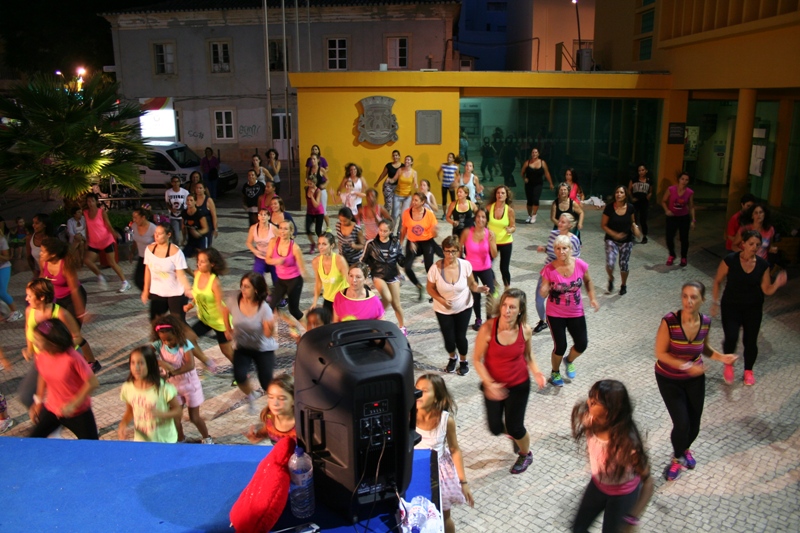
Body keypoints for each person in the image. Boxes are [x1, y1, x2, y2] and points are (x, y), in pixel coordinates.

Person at [655, 281, 737, 481]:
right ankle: (677, 458)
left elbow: (704, 348)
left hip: (695, 379)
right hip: (669, 378)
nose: (688, 301)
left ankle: (685, 449)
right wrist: (686, 366)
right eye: (685, 296)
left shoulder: (705, 322)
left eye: (693, 297)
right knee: (682, 424)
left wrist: (722, 358)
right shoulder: (670, 321)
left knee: (695, 425)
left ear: (703, 300)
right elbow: (660, 353)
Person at [473, 289, 546, 474]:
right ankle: (513, 436)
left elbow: (528, 355)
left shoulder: (525, 330)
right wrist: (489, 383)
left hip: (518, 385)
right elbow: (477, 360)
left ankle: (525, 454)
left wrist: (537, 373)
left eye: (512, 307)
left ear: (520, 310)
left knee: (516, 427)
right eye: (504, 305)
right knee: (495, 428)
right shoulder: (488, 328)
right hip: (494, 386)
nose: (506, 310)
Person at [571, 380, 654, 533]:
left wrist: (632, 518)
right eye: (590, 397)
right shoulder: (589, 419)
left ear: (610, 410)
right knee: (578, 529)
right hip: (597, 486)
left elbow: (648, 482)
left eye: (595, 402)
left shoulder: (628, 443)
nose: (589, 402)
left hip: (623, 495)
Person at [712, 229, 788, 386]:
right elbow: (718, 280)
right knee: (731, 337)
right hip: (731, 306)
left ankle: (748, 371)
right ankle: (728, 364)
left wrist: (776, 284)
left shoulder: (762, 265)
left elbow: (766, 289)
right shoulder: (730, 260)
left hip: (753, 308)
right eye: (751, 244)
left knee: (751, 340)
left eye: (758, 245)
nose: (755, 247)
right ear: (743, 244)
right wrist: (715, 302)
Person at [414, 374, 474, 533]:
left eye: (424, 391)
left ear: (436, 397)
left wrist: (463, 482)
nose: (418, 394)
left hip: (438, 474)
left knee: (444, 516)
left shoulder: (446, 420)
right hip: (415, 471)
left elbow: (455, 449)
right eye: (416, 389)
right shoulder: (407, 416)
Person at [540, 235, 599, 387]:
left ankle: (569, 360)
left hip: (575, 311)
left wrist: (592, 297)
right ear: (554, 250)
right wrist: (544, 290)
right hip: (555, 313)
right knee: (560, 346)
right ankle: (555, 372)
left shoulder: (580, 265)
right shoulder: (549, 269)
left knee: (582, 344)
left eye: (564, 248)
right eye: (558, 248)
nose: (561, 251)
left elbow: (588, 281)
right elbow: (543, 290)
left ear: (570, 249)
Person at [28, 318, 99, 440]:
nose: (34, 342)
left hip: (78, 412)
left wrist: (73, 404)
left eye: (38, 339)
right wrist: (38, 401)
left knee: (92, 447)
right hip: (53, 410)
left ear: (51, 341)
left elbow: (92, 383)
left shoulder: (72, 357)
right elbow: (42, 375)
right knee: (32, 442)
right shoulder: (41, 355)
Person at [429, 236, 489, 376]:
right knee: (449, 338)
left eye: (453, 251)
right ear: (443, 251)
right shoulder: (435, 268)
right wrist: (441, 300)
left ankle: (463, 361)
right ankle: (452, 357)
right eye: (447, 251)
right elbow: (430, 288)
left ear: (458, 251)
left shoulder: (465, 265)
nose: (450, 254)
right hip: (443, 310)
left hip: (464, 307)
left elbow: (472, 284)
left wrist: (479, 289)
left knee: (460, 336)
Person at [38, 240, 100, 370]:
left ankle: (92, 362)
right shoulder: (43, 262)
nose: (40, 253)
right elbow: (42, 279)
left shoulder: (66, 266)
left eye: (43, 251)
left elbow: (74, 290)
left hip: (74, 298)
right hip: (58, 299)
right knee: (59, 332)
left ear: (53, 254)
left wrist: (81, 312)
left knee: (73, 334)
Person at [152, 314, 213, 444]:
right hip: (173, 388)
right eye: (164, 340)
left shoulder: (184, 345)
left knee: (194, 417)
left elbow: (190, 365)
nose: (167, 343)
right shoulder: (158, 345)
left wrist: (172, 372)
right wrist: (159, 362)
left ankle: (207, 438)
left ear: (177, 333)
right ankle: (181, 439)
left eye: (169, 339)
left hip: (190, 386)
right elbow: (144, 354)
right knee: (175, 417)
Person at [230, 273, 279, 414]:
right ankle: (251, 395)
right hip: (242, 346)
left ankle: (276, 409)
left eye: (247, 287)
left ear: (256, 290)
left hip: (262, 348)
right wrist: (227, 329)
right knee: (239, 376)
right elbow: (224, 310)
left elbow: (268, 334)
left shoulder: (264, 308)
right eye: (242, 286)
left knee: (266, 383)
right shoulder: (235, 300)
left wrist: (271, 326)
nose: (242, 289)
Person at [24, 278, 99, 371]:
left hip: (65, 359)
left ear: (42, 297)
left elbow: (77, 337)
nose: (26, 299)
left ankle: (91, 363)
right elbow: (28, 329)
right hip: (43, 361)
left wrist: (59, 353)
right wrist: (29, 349)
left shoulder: (61, 314)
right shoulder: (29, 311)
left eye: (29, 296)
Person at [118, 345, 182, 442]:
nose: (136, 367)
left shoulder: (164, 388)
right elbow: (130, 410)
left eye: (141, 363)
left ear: (150, 365)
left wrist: (163, 414)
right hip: (142, 440)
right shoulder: (127, 388)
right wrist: (123, 424)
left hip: (164, 440)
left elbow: (178, 411)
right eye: (133, 363)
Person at [533, 213, 582, 334]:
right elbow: (551, 250)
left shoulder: (574, 240)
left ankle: (562, 322)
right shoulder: (553, 234)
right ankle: (543, 321)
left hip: (563, 276)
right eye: (559, 221)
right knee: (539, 299)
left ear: (570, 225)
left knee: (561, 301)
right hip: (548, 272)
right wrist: (544, 249)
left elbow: (575, 260)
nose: (559, 224)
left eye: (563, 222)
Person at [185, 248, 234, 364]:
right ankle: (207, 362)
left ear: (212, 264)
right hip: (205, 320)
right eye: (198, 260)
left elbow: (222, 307)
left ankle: (241, 370)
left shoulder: (215, 282)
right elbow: (198, 294)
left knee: (227, 351)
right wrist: (191, 305)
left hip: (219, 322)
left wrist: (228, 329)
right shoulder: (197, 274)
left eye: (203, 261)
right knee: (186, 341)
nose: (199, 263)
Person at [363, 219, 407, 335]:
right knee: (387, 298)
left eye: (385, 231)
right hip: (378, 275)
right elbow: (363, 260)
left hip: (392, 275)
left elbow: (400, 259)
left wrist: (408, 259)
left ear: (391, 231)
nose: (382, 233)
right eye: (380, 230)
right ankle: (375, 316)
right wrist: (363, 275)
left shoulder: (395, 243)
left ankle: (402, 327)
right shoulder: (371, 244)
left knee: (396, 304)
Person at [142, 223, 193, 321]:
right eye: (155, 233)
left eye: (160, 234)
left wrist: (188, 288)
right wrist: (145, 290)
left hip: (176, 293)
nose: (156, 236)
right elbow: (147, 270)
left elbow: (180, 274)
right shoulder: (149, 250)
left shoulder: (176, 252)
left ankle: (187, 332)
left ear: (168, 235)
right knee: (155, 321)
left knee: (179, 323)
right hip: (157, 292)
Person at [83, 193, 130, 292]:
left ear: (96, 201)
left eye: (92, 201)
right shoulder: (86, 213)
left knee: (112, 262)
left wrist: (115, 234)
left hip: (106, 239)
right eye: (88, 201)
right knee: (87, 261)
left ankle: (125, 282)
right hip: (94, 242)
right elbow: (87, 227)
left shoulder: (101, 212)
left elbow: (108, 225)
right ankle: (100, 275)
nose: (90, 203)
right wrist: (87, 240)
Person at [461, 208, 497, 332]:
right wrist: (461, 264)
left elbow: (494, 254)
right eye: (478, 216)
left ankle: (489, 318)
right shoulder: (467, 232)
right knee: (475, 295)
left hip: (485, 267)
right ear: (475, 218)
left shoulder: (490, 234)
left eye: (483, 217)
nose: (480, 219)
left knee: (491, 293)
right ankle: (478, 319)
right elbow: (459, 247)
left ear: (486, 220)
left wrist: (491, 242)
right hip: (471, 269)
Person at [266, 220, 307, 325]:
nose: (282, 231)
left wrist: (309, 278)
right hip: (281, 280)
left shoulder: (295, 248)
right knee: (271, 306)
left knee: (294, 310)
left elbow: (302, 268)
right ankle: (290, 323)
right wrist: (276, 261)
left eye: (285, 229)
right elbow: (268, 259)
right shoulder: (273, 242)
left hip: (294, 280)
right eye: (280, 228)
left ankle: (310, 329)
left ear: (291, 231)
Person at [601, 186, 640, 296]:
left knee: (624, 264)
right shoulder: (609, 208)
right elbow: (603, 225)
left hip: (626, 239)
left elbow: (632, 221)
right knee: (610, 263)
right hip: (611, 239)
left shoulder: (630, 207)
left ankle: (623, 285)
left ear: (625, 195)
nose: (618, 194)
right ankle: (611, 278)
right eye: (617, 192)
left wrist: (635, 227)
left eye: (621, 192)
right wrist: (614, 234)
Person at [400, 192, 439, 300]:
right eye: (413, 199)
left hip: (427, 242)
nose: (413, 202)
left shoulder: (429, 214)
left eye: (416, 200)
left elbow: (435, 233)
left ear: (423, 202)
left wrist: (435, 232)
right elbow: (404, 230)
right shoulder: (407, 213)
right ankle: (418, 286)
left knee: (429, 268)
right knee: (407, 267)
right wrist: (400, 243)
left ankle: (434, 291)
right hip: (412, 242)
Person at [246, 374, 296, 444]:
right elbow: (266, 430)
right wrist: (257, 437)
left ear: (294, 400)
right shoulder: (270, 416)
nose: (275, 403)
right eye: (271, 397)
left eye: (281, 398)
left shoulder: (303, 424)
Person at [309, 232, 349, 316]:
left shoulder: (339, 260)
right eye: (319, 243)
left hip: (342, 300)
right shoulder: (316, 262)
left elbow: (348, 282)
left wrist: (340, 301)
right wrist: (314, 303)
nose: (320, 247)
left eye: (324, 244)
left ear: (332, 245)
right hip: (327, 299)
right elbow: (318, 283)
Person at [661, 172, 695, 266]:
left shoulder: (690, 192)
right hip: (672, 217)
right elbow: (663, 201)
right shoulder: (671, 189)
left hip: (684, 217)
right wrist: (667, 210)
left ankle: (684, 257)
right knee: (669, 237)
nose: (684, 181)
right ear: (679, 179)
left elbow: (691, 206)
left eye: (686, 180)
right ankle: (672, 254)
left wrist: (693, 220)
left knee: (684, 238)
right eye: (682, 179)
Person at [487, 186, 516, 290]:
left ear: (506, 195)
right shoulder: (489, 208)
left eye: (503, 193)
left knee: (504, 268)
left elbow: (513, 226)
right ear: (495, 195)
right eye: (498, 193)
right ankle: (494, 283)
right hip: (491, 242)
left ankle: (507, 288)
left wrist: (510, 230)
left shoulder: (509, 210)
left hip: (505, 242)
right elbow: (483, 222)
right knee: (487, 265)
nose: (500, 195)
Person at [520, 147, 554, 223]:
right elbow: (522, 173)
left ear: (538, 154)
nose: (534, 154)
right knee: (529, 200)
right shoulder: (527, 162)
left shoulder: (542, 162)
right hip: (529, 184)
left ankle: (534, 215)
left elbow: (547, 173)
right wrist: (524, 178)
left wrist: (551, 183)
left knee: (535, 199)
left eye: (536, 152)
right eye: (533, 152)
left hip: (538, 184)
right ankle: (529, 215)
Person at [246, 208, 274, 289]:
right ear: (258, 217)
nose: (263, 216)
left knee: (277, 280)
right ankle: (260, 293)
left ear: (269, 217)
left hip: (272, 257)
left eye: (265, 215)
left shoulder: (273, 229)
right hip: (260, 257)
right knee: (256, 278)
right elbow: (248, 242)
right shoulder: (253, 228)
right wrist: (255, 251)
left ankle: (280, 295)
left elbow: (281, 241)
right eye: (261, 214)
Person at [0, 225, 23, 321]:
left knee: (1, 292)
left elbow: (7, 257)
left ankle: (16, 311)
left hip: (3, 267)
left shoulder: (2, 240)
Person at [131, 206, 156, 291]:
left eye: (136, 218)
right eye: (133, 217)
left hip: (152, 258)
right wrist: (132, 252)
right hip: (142, 257)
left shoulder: (153, 228)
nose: (134, 220)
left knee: (152, 279)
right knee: (138, 280)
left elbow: (159, 243)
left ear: (143, 217)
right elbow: (135, 240)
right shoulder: (134, 226)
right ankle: (148, 293)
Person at [392, 155, 418, 232]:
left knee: (403, 216)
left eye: (408, 160)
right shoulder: (400, 170)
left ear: (411, 162)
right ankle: (391, 231)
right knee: (395, 214)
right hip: (398, 195)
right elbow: (394, 179)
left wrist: (416, 185)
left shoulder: (414, 172)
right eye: (406, 159)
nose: (407, 161)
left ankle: (399, 232)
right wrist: (390, 180)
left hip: (407, 196)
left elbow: (415, 183)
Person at [628, 164, 652, 244]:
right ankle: (632, 234)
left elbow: (650, 191)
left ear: (646, 171)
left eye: (642, 170)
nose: (641, 172)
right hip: (635, 202)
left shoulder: (649, 181)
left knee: (643, 220)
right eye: (639, 171)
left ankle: (644, 236)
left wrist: (649, 196)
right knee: (634, 219)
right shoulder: (634, 180)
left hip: (644, 202)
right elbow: (629, 190)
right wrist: (632, 198)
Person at [181, 195, 209, 259]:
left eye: (191, 200)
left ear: (195, 202)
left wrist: (198, 232)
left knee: (203, 257)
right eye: (187, 200)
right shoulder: (184, 213)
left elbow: (206, 228)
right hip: (191, 240)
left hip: (201, 239)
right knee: (182, 257)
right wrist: (184, 238)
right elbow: (183, 226)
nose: (189, 202)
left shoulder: (199, 213)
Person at [374, 150, 402, 215]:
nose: (395, 157)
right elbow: (383, 174)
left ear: (399, 156)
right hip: (388, 186)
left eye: (396, 155)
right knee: (388, 204)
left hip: (398, 187)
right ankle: (385, 215)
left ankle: (392, 216)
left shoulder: (402, 166)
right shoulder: (389, 165)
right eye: (393, 155)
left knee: (396, 203)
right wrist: (377, 182)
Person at [307, 153, 330, 230]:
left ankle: (328, 226)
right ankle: (319, 226)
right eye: (311, 159)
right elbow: (307, 178)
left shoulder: (321, 169)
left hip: (321, 191)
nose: (312, 161)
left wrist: (323, 185)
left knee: (323, 210)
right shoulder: (309, 169)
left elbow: (328, 180)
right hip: (313, 191)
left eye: (314, 159)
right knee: (315, 210)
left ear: (318, 160)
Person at [165, 176, 189, 244]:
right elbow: (167, 202)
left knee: (186, 234)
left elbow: (188, 202)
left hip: (183, 216)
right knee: (176, 235)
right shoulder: (168, 192)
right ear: (172, 183)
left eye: (177, 181)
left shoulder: (185, 192)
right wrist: (171, 209)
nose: (176, 183)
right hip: (173, 216)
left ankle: (185, 244)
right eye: (174, 182)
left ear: (180, 182)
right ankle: (176, 246)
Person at [26, 213, 51, 278]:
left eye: (37, 223)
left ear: (44, 224)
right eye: (33, 223)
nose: (33, 225)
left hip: (53, 272)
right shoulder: (30, 238)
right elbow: (29, 257)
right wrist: (34, 272)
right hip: (39, 272)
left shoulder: (51, 239)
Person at [194, 182, 218, 246]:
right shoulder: (193, 199)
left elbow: (214, 216)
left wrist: (215, 228)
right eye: (197, 188)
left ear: (204, 189)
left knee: (206, 246)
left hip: (207, 228)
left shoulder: (209, 200)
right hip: (195, 228)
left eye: (200, 188)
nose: (198, 190)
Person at [305, 176, 325, 254]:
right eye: (308, 183)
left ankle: (322, 244)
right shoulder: (306, 189)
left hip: (319, 212)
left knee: (318, 231)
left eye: (311, 183)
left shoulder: (318, 191)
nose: (309, 185)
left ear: (315, 183)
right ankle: (312, 244)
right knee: (307, 229)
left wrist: (312, 196)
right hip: (310, 212)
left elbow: (316, 204)